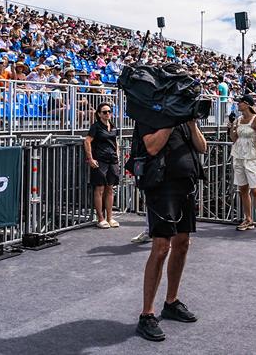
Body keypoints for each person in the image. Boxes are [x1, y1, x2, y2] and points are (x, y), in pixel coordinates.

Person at [135, 116, 206, 342]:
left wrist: (192, 123)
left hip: (185, 183)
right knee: (161, 247)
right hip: (161, 186)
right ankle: (147, 314)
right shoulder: (150, 112)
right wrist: (171, 119)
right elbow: (152, 147)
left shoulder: (185, 118)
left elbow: (202, 146)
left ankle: (171, 302)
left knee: (183, 244)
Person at [229, 94, 256, 236]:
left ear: (247, 104)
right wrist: (231, 127)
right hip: (239, 156)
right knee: (242, 189)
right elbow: (234, 138)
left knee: (255, 191)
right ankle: (248, 219)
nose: (238, 104)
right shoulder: (238, 119)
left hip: (252, 158)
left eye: (240, 102)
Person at [84, 102, 120, 229]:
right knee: (99, 189)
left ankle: (110, 217)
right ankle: (100, 218)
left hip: (112, 160)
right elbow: (87, 141)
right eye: (104, 112)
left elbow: (115, 142)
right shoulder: (95, 126)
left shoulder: (113, 126)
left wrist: (117, 155)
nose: (107, 114)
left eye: (109, 111)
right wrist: (90, 158)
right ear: (99, 114)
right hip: (100, 160)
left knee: (110, 188)